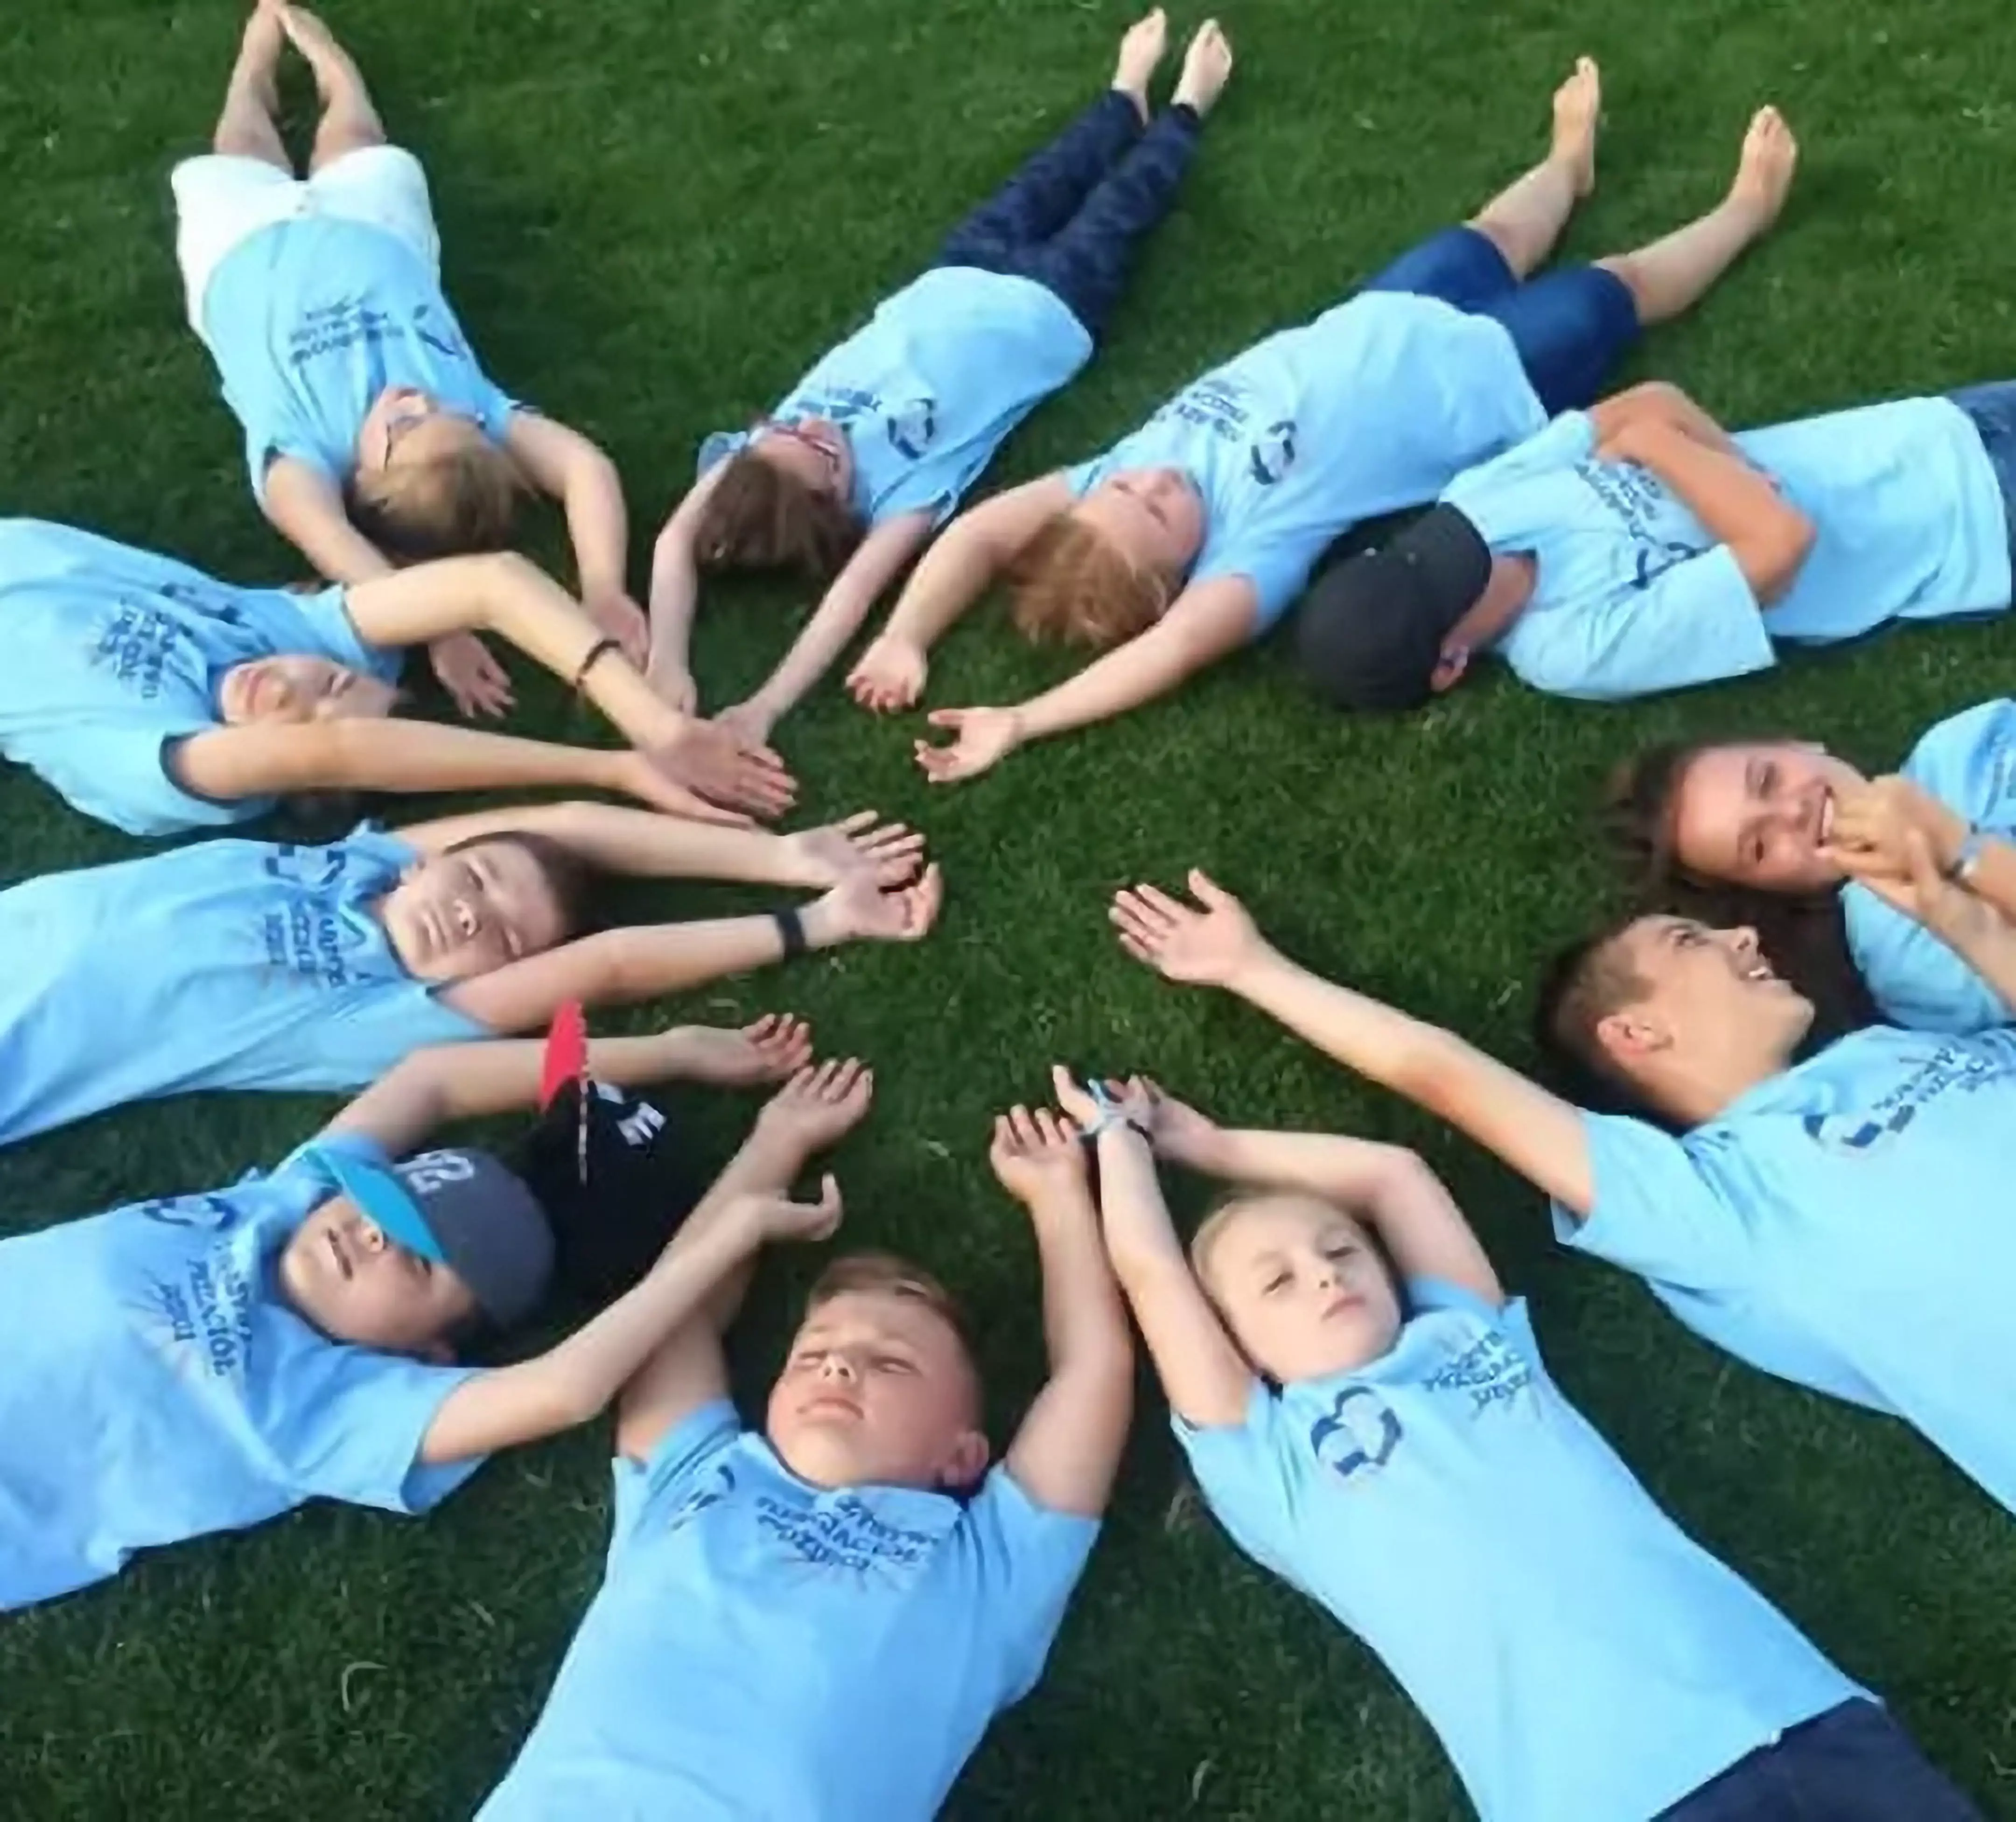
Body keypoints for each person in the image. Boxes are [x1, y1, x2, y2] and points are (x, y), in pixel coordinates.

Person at [845, 63, 1800, 783]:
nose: (1156, 480)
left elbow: (974, 533)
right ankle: (1744, 212)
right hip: (1493, 382)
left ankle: (1564, 166)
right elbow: (1170, 651)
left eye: (1130, 486)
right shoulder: (1254, 556)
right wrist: (1021, 720)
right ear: (1185, 572)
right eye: (1163, 511)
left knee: (1494, 235)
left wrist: (907, 635)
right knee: (1619, 285)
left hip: (1381, 313)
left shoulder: (1108, 482)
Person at [1082, 1071, 1978, 1822]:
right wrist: (1117, 1143)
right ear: (1231, 1346)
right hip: (1613, 1800)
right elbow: (1155, 1276)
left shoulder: (1470, 1339)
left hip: (1805, 1717)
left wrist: (1213, 1146)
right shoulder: (1271, 1464)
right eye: (1278, 1282)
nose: (1325, 1273)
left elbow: (1396, 1178)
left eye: (1342, 1251)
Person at [1108, 859, 2016, 1518]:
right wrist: (1253, 969)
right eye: (1692, 939)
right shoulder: (1708, 1201)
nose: (1747, 934)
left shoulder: (1900, 1044)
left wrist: (1951, 892)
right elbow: (1446, 1074)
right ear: (1635, 1032)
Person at [0, 1012, 876, 1612]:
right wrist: (673, 1050)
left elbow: (568, 1387)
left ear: (432, 1351)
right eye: (379, 1204)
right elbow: (428, 1080)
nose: (365, 1235)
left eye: (415, 1259)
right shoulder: (288, 1207)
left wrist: (747, 1204)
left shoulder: (338, 1404)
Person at [476, 1089, 1133, 1820]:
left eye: (891, 1364)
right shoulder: (697, 1474)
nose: (838, 1368)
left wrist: (1060, 1198)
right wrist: (773, 1144)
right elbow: (673, 1310)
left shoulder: (989, 1565)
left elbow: (1093, 1371)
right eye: (813, 1353)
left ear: (963, 1456)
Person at [648, 10, 1234, 748]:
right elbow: (850, 602)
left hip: (958, 268)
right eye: (824, 453)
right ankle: (1189, 108)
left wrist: (666, 656)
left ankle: (1125, 94)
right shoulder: (903, 499)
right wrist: (765, 706)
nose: (812, 427)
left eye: (784, 426)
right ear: (839, 503)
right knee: (1126, 203)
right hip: (1056, 306)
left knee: (1052, 174)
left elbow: (676, 542)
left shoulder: (764, 461)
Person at [173, 3, 652, 718]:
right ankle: (333, 70)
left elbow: (330, 540)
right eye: (440, 411)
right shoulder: (472, 412)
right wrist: (605, 588)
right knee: (359, 136)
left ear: (365, 480)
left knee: (240, 141)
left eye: (403, 426)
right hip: (375, 231)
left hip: (240, 246)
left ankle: (253, 73)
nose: (415, 399)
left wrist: (439, 628)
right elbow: (586, 469)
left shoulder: (301, 452)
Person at [0, 800, 939, 1149]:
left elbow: (606, 964)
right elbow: (568, 822)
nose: (470, 911)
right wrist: (776, 855)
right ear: (428, 859)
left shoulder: (379, 1014)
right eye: (478, 877)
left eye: (503, 934)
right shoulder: (357, 860)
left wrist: (810, 921)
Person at [0, 522, 795, 836]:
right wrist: (653, 729)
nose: (289, 691)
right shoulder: (282, 637)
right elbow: (494, 582)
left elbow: (336, 752)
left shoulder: (164, 774)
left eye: (300, 721)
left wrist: (611, 773)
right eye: (333, 684)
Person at [1295, 374, 2016, 710]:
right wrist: (1652, 447)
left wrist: (1721, 469)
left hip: (1930, 425)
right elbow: (1784, 542)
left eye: (1431, 551)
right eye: (1459, 583)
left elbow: (1654, 398)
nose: (1477, 546)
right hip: (1971, 530)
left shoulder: (1474, 503)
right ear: (1450, 662)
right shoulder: (1571, 647)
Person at [1610, 699, 2016, 1036]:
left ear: (1801, 746)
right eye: (1760, 846)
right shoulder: (1902, 953)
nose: (1793, 811)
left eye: (1768, 780)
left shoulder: (1961, 744)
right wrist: (1959, 850)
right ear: (1773, 891)